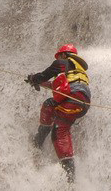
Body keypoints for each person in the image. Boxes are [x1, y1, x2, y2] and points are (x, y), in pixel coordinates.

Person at [26, 44, 91, 183]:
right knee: (54, 114)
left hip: (73, 98)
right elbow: (57, 84)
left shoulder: (61, 63)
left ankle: (69, 175)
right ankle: (40, 139)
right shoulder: (75, 70)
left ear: (63, 55)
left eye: (59, 55)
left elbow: (44, 75)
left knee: (57, 124)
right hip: (79, 100)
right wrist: (41, 83)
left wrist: (33, 79)